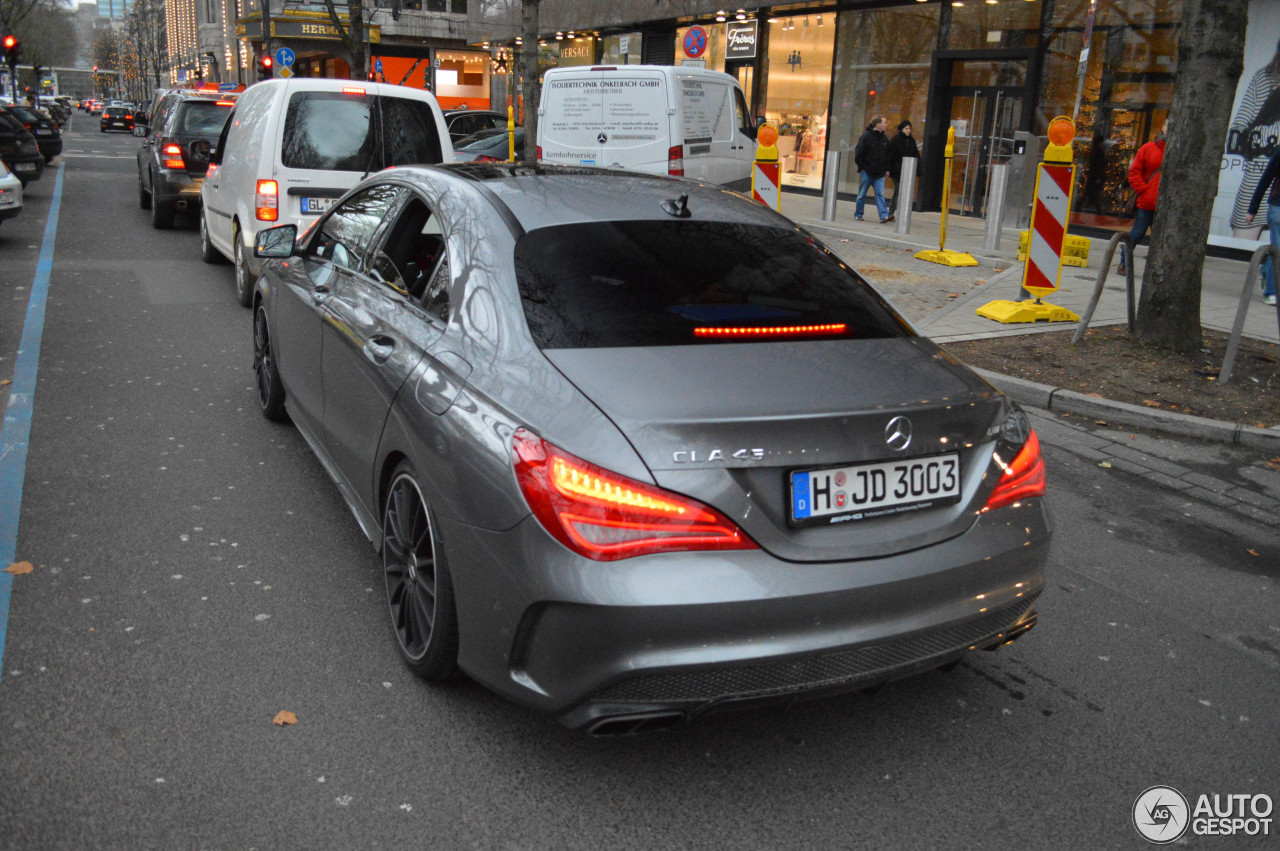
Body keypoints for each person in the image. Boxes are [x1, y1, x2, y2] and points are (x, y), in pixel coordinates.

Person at [1228, 38, 1280, 241]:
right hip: (1257, 172)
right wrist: (1257, 136)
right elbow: (1241, 123)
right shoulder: (1264, 78)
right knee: (1241, 241)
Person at [1117, 118, 1166, 277]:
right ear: (1162, 127)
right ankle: (1124, 262)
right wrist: (1143, 190)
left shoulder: (1179, 151)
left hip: (1166, 204)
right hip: (1147, 201)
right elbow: (1134, 172)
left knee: (1162, 239)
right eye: (1168, 126)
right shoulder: (1148, 148)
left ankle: (1157, 270)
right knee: (1138, 232)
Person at [1245, 150, 1280, 305]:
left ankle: (1266, 270)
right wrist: (1253, 208)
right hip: (1277, 206)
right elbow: (1266, 178)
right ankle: (1271, 292)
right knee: (1278, 249)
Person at [853, 115, 890, 223]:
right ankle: (858, 214)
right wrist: (862, 168)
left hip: (879, 172)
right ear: (878, 124)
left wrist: (887, 169)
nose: (886, 125)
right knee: (862, 194)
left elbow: (887, 155)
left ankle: (884, 216)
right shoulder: (866, 137)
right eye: (884, 123)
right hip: (867, 171)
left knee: (880, 194)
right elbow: (858, 153)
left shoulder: (884, 138)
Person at [885, 119, 919, 221]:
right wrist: (888, 169)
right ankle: (893, 212)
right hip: (897, 170)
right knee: (900, 190)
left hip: (907, 170)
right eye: (906, 128)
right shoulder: (896, 140)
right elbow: (889, 155)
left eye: (909, 129)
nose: (908, 131)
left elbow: (915, 155)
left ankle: (892, 212)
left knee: (898, 191)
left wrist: (917, 169)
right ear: (901, 129)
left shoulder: (911, 141)